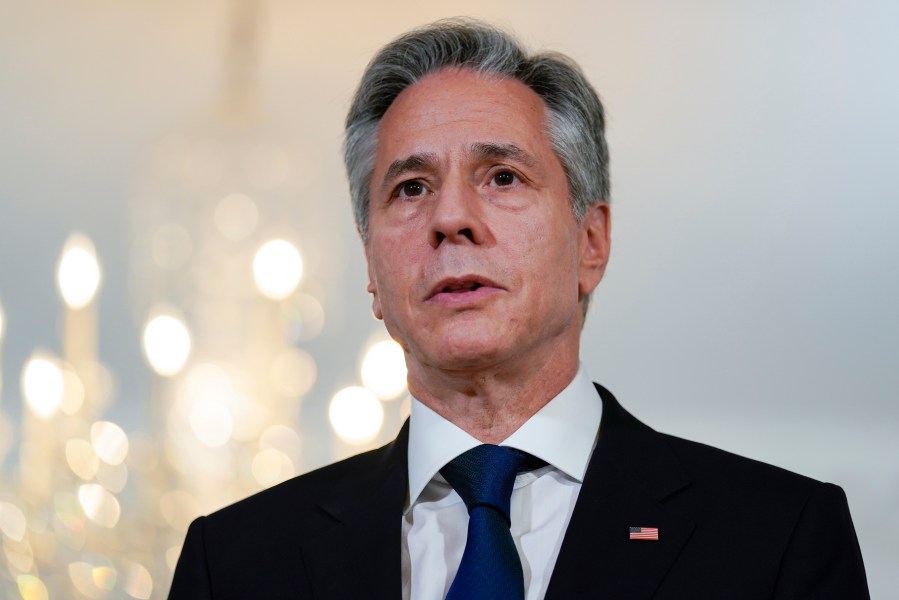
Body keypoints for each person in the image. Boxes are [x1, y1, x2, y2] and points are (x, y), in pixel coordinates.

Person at [169, 18, 869, 599]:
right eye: (410, 188)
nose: (449, 219)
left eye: (501, 176)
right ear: (372, 272)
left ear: (590, 241)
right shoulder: (234, 562)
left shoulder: (776, 537)